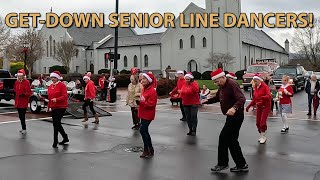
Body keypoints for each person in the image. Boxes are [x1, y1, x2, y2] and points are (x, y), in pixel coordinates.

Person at [202, 68, 248, 173]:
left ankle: (222, 164)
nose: (216, 83)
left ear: (223, 77)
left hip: (236, 116)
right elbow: (218, 97)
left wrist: (234, 108)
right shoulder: (222, 86)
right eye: (215, 81)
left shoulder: (232, 84)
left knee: (223, 138)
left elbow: (242, 98)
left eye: (217, 81)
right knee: (232, 141)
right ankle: (241, 164)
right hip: (231, 116)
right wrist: (207, 101)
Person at [137, 72, 158, 158]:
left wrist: (141, 103)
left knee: (143, 130)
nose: (142, 80)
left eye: (144, 79)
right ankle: (150, 148)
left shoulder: (152, 91)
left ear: (149, 81)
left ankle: (146, 149)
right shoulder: (144, 89)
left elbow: (151, 104)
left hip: (148, 114)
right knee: (144, 131)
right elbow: (144, 100)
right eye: (142, 79)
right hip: (143, 112)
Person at [246, 75, 271, 144]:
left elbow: (269, 96)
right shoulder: (256, 88)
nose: (255, 83)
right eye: (254, 81)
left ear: (260, 80)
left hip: (266, 106)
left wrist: (262, 98)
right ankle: (262, 134)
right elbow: (254, 99)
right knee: (257, 123)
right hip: (259, 106)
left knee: (262, 122)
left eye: (256, 81)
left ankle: (264, 136)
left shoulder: (265, 86)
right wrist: (248, 106)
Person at [47, 71, 69, 148]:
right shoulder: (50, 86)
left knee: (56, 123)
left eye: (54, 77)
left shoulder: (62, 85)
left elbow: (65, 96)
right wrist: (48, 106)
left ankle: (55, 141)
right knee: (56, 123)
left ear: (58, 78)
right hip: (54, 107)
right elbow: (49, 98)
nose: (53, 79)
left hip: (61, 106)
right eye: (52, 77)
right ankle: (65, 137)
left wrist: (57, 99)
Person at [13, 69, 32, 134]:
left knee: (22, 115)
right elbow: (15, 89)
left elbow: (29, 92)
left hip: (23, 101)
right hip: (18, 101)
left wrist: (23, 94)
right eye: (18, 76)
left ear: (23, 76)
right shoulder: (16, 82)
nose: (19, 77)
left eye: (20, 76)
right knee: (20, 116)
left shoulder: (26, 82)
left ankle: (24, 128)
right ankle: (23, 128)